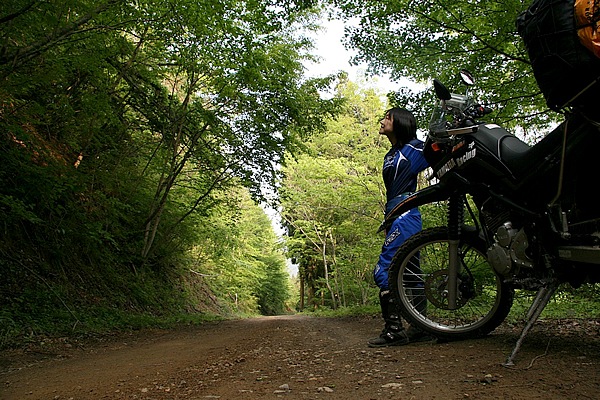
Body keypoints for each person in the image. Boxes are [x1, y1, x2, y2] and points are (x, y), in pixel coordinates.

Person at [368, 107, 432, 348]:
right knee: (411, 271)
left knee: (384, 271)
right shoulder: (390, 154)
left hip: (407, 214)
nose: (383, 120)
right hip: (394, 215)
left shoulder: (415, 147)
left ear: (401, 122)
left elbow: (439, 153)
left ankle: (394, 330)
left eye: (388, 117)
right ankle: (421, 327)